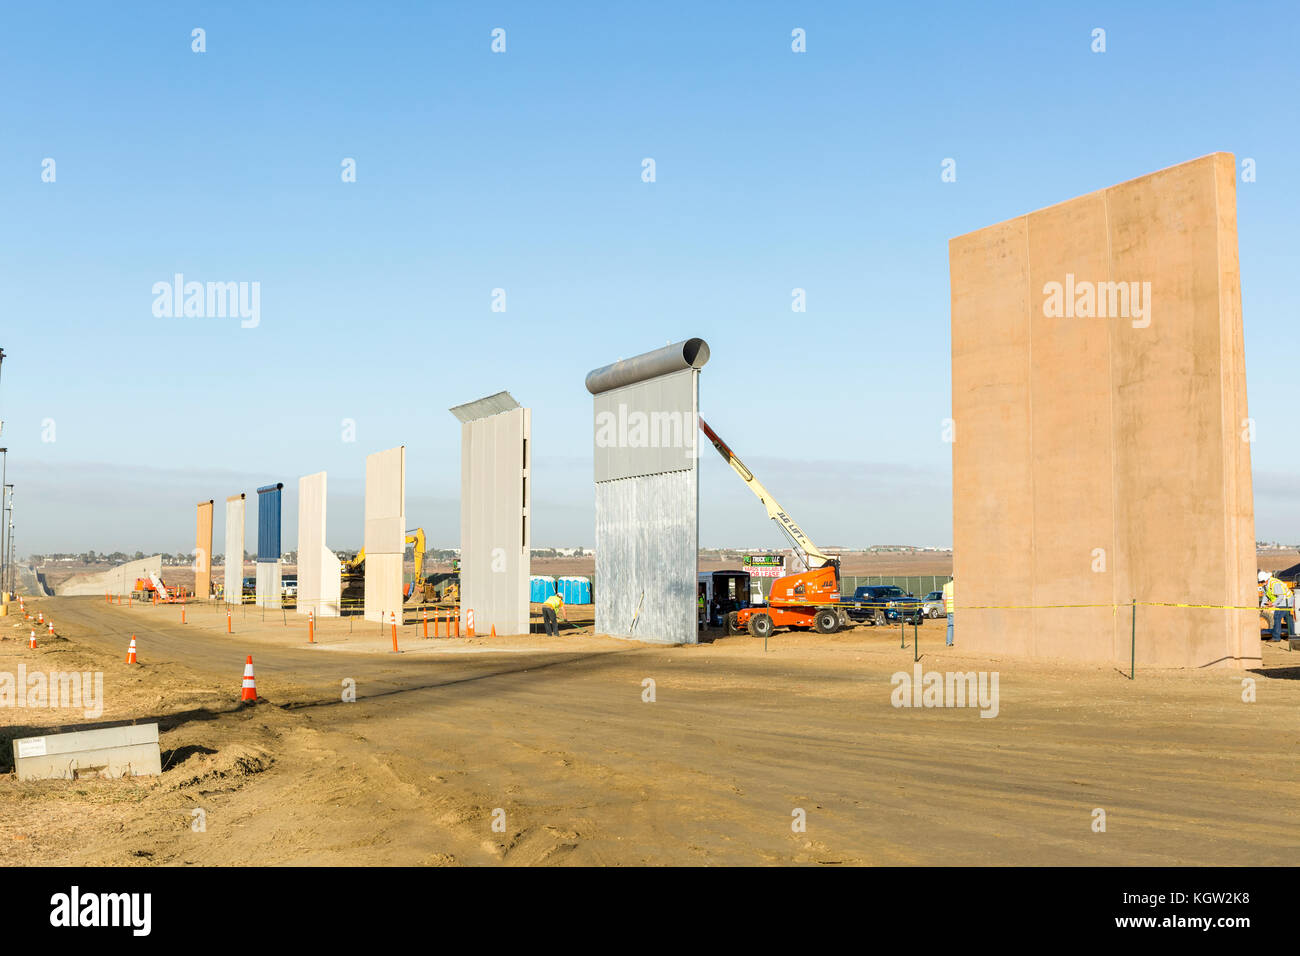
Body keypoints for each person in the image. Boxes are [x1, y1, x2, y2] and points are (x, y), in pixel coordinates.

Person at [1258, 570, 1293, 640]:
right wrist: (1262, 604)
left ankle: (1276, 637)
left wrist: (1273, 604)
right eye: (1260, 582)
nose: (1261, 583)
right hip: (1283, 601)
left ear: (1266, 579)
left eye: (1262, 581)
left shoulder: (1275, 583)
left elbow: (1280, 596)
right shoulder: (1266, 585)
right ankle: (1293, 636)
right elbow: (1266, 595)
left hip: (1285, 601)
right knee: (1288, 618)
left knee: (1277, 617)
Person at [942, 577, 955, 647]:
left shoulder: (946, 586)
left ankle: (949, 642)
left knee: (950, 626)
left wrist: (945, 608)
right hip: (957, 609)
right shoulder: (959, 585)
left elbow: (944, 598)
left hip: (949, 609)